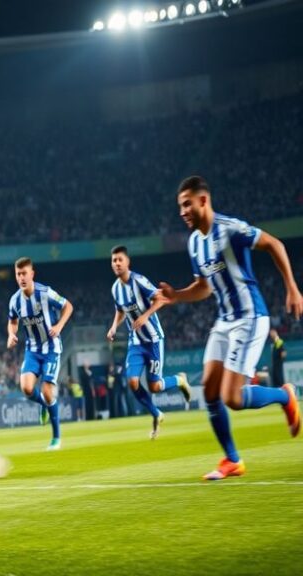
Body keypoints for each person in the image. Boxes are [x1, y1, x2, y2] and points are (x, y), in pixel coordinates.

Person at [156, 176, 301, 480]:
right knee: (208, 390)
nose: (182, 212)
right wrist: (176, 296)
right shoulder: (195, 242)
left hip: (249, 316)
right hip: (224, 321)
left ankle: (284, 397)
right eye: (179, 206)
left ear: (203, 201)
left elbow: (274, 243)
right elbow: (204, 287)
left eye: (186, 204)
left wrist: (291, 288)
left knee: (232, 398)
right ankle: (232, 460)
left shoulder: (230, 229)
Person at [106, 245, 191, 438]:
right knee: (132, 381)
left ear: (127, 262)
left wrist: (145, 316)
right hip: (135, 342)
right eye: (114, 260)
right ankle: (156, 413)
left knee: (155, 386)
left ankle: (179, 380)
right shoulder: (115, 289)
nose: (117, 263)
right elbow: (120, 310)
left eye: (120, 260)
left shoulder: (139, 281)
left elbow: (161, 299)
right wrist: (113, 327)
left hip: (153, 340)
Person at [7, 257, 74, 450]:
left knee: (46, 390)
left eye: (24, 273)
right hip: (32, 350)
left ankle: (56, 438)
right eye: (18, 274)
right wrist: (11, 334)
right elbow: (12, 321)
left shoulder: (45, 293)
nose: (21, 277)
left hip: (52, 348)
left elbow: (68, 306)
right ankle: (44, 405)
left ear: (32, 274)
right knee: (27, 388)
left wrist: (59, 326)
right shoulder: (15, 300)